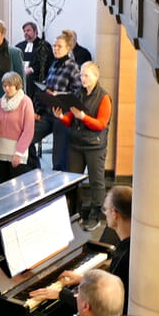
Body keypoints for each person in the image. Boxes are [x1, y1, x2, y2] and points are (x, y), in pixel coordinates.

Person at [27, 186, 132, 314]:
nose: (104, 213)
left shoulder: (125, 256)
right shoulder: (129, 245)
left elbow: (103, 302)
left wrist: (61, 294)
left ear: (115, 214)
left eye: (105, 209)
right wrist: (84, 280)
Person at [56, 61, 112, 227]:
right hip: (76, 143)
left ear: (96, 76)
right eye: (81, 75)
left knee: (96, 181)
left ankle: (95, 214)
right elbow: (71, 120)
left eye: (86, 75)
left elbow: (101, 124)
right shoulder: (78, 93)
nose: (82, 78)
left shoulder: (103, 97)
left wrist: (83, 117)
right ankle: (75, 213)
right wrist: (61, 117)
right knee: (72, 180)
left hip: (94, 145)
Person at [32, 31, 87, 172]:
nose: (55, 49)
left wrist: (57, 94)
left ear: (68, 48)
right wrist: (37, 110)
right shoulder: (54, 64)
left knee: (59, 157)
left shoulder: (72, 67)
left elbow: (77, 92)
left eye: (59, 46)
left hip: (63, 115)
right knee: (27, 137)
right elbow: (47, 87)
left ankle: (60, 187)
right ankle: (34, 172)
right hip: (48, 112)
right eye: (54, 46)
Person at [0, 71, 36, 183]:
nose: (7, 88)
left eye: (10, 85)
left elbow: (28, 130)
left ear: (17, 85)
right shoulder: (0, 103)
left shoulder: (25, 102)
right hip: (0, 150)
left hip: (15, 152)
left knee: (17, 186)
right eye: (4, 86)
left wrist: (19, 153)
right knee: (4, 184)